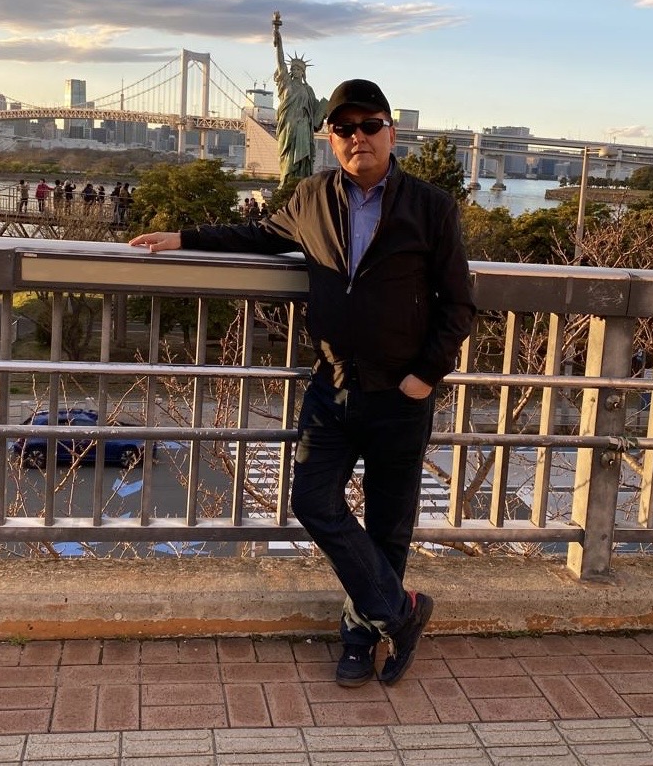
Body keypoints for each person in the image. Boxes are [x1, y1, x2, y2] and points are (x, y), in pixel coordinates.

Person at [130, 78, 474, 689]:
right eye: (344, 128)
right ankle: (401, 612)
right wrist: (185, 238)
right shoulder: (313, 194)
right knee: (313, 502)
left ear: (392, 132)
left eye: (369, 125)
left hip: (400, 394)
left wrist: (424, 378)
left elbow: (459, 306)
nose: (358, 137)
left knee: (389, 526)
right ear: (330, 139)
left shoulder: (431, 206)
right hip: (331, 385)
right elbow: (261, 234)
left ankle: (361, 637)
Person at [271, 12, 327, 189]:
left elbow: (317, 115)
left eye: (298, 69)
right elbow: (280, 61)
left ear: (303, 73)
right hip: (288, 128)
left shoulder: (308, 90)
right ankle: (286, 184)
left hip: (303, 128)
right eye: (293, 68)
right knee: (288, 160)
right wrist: (277, 34)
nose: (295, 71)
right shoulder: (286, 83)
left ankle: (302, 185)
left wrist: (325, 109)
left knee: (303, 163)